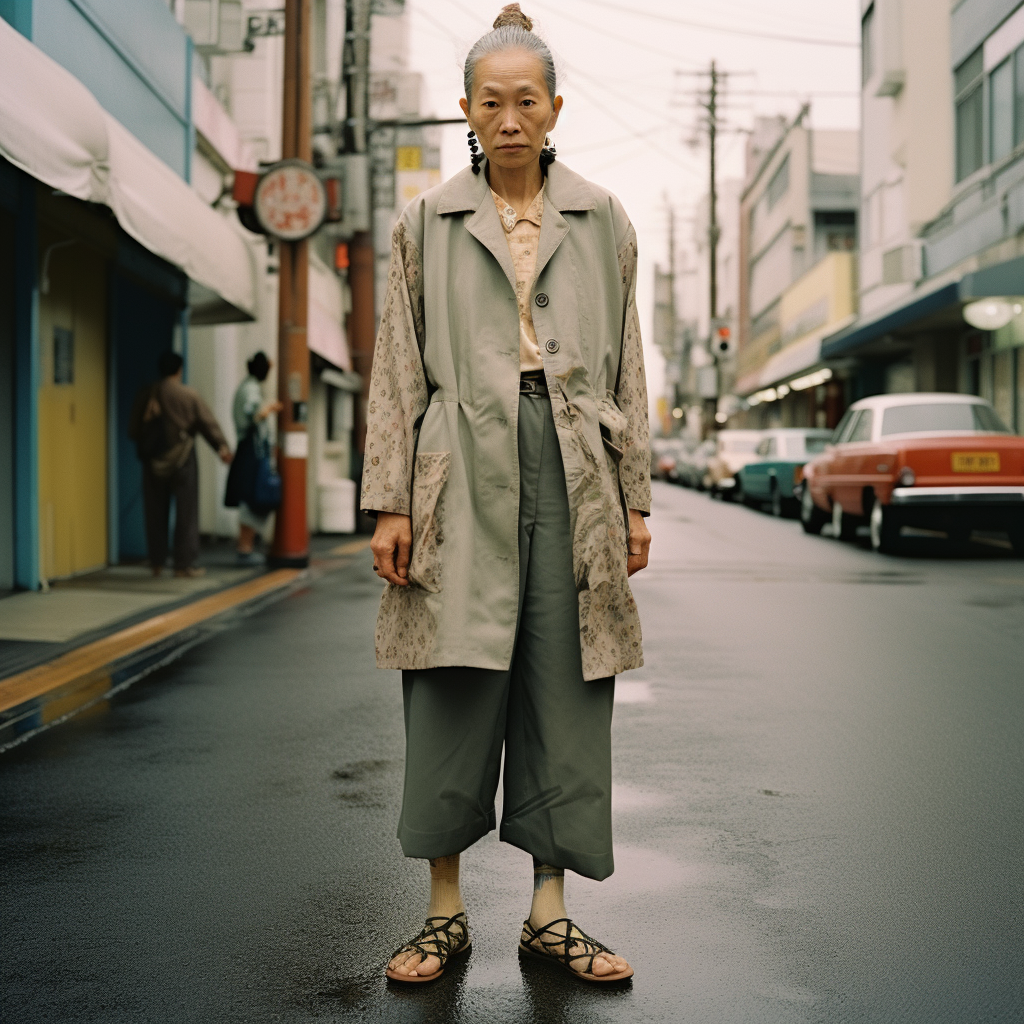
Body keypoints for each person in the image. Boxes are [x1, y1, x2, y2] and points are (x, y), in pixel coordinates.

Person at [361, 4, 651, 986]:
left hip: (574, 463)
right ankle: (441, 914)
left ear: (555, 106)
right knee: (447, 678)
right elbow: (396, 369)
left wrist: (637, 497)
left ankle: (549, 910)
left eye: (528, 100)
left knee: (567, 682)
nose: (511, 117)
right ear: (465, 112)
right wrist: (389, 500)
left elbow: (628, 367)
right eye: (493, 102)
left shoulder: (603, 215)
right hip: (454, 461)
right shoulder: (423, 221)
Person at [130, 351, 231, 578]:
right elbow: (208, 424)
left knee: (155, 513)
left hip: (153, 462)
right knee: (187, 513)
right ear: (179, 370)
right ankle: (183, 565)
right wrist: (222, 448)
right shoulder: (188, 395)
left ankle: (157, 563)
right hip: (183, 459)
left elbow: (133, 429)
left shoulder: (147, 394)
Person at [226, 351, 282, 564]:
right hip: (252, 450)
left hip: (250, 449)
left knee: (251, 497)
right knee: (253, 498)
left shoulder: (247, 385)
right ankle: (245, 548)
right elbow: (254, 413)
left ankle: (246, 546)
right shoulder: (250, 388)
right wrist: (269, 408)